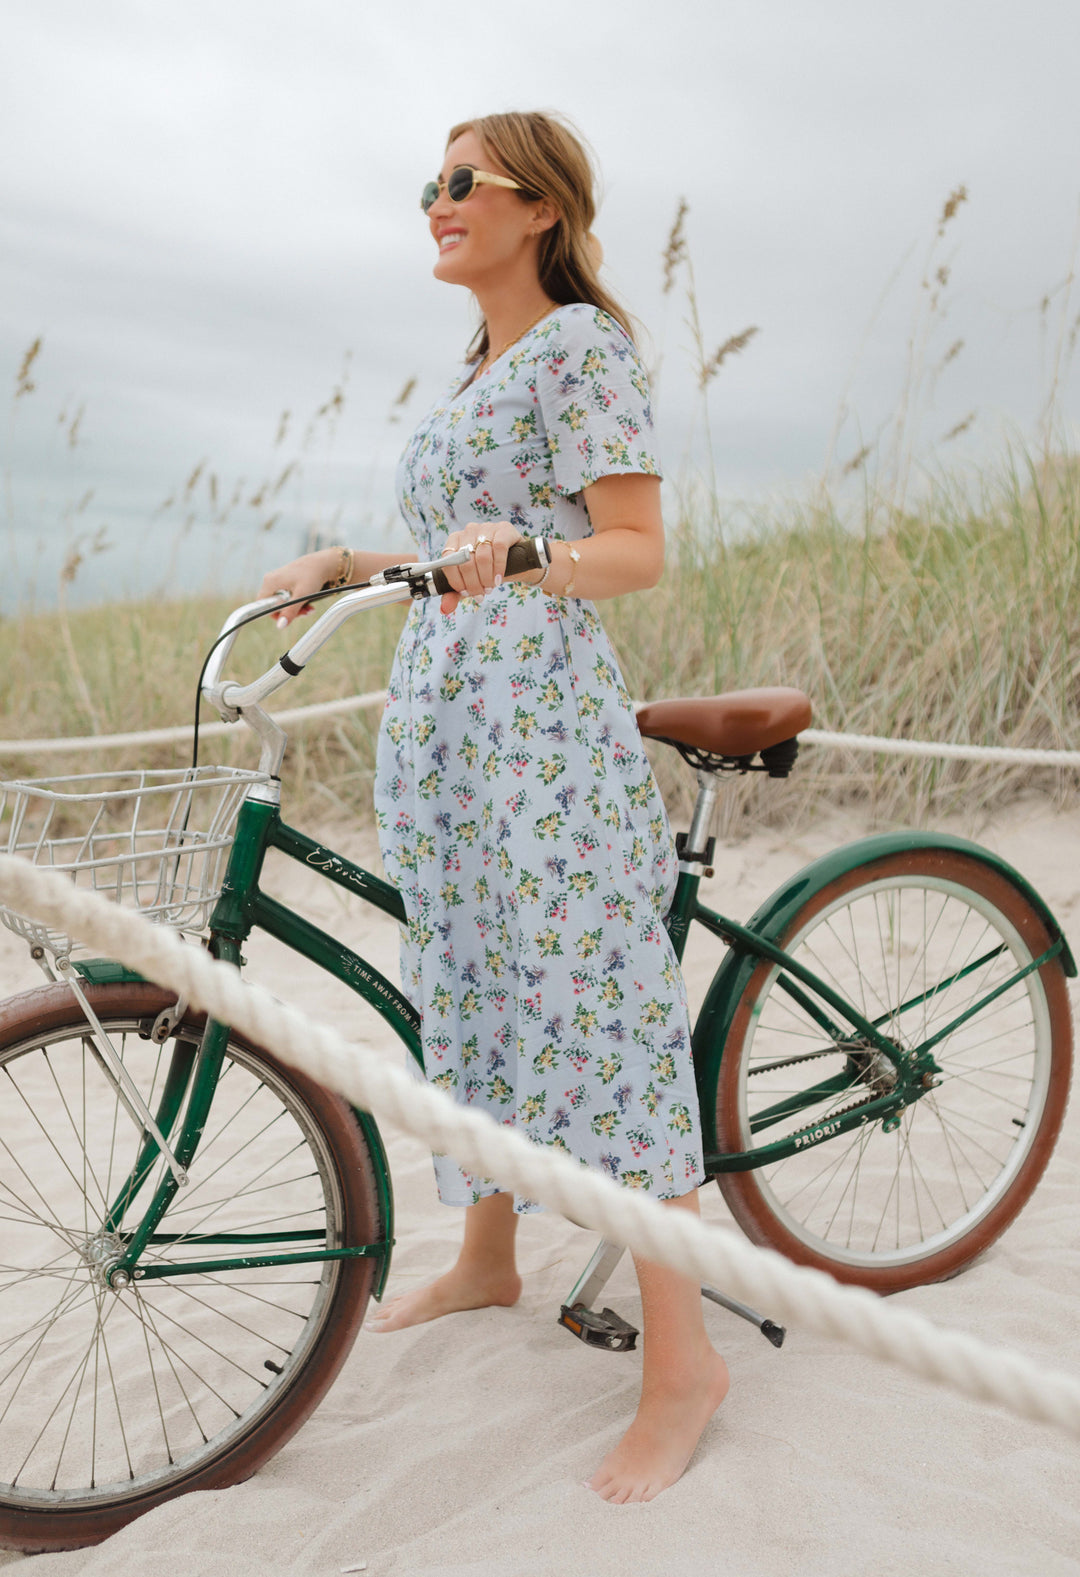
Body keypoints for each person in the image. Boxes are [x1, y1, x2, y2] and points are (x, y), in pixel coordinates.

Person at [258, 110, 728, 1504]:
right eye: (430, 182)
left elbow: (633, 550)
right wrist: (357, 558)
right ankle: (488, 1249)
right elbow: (463, 544)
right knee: (466, 981)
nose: (436, 201)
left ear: (541, 210)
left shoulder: (583, 347)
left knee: (601, 1013)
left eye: (462, 182)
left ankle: (686, 1359)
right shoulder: (486, 361)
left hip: (542, 734)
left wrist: (524, 556)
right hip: (455, 725)